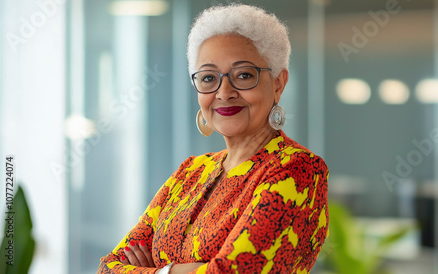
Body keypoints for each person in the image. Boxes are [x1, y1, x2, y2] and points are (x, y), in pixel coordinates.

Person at [98, 4, 329, 274]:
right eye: (209, 78)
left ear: (278, 83)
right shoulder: (190, 172)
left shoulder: (297, 170)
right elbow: (108, 268)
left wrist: (160, 269)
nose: (224, 92)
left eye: (243, 75)